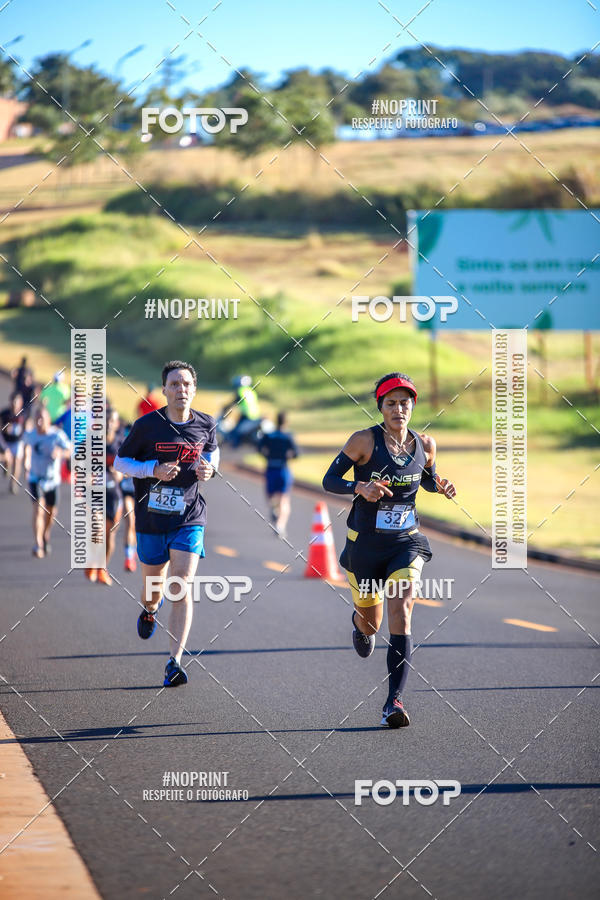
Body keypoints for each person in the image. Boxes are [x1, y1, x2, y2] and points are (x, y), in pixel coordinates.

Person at [322, 372, 456, 729]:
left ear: (413, 406)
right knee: (372, 620)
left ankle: (393, 702)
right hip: (364, 545)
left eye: (405, 402)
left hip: (405, 542)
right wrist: (359, 487)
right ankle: (360, 627)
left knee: (403, 607)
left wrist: (439, 485)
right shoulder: (364, 441)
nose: (399, 409)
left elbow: (426, 477)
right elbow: (329, 480)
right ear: (380, 407)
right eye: (391, 403)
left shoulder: (425, 443)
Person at [115, 360, 219, 687]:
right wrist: (153, 470)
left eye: (186, 384)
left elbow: (212, 455)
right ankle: (149, 610)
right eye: (174, 384)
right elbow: (120, 462)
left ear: (194, 389)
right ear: (164, 390)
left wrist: (209, 470)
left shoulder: (206, 424)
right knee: (153, 593)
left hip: (189, 517)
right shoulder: (147, 426)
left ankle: (174, 661)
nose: (181, 390)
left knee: (181, 584)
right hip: (150, 520)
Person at [23, 406, 71, 558]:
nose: (39, 422)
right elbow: (26, 446)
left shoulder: (56, 435)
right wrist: (26, 459)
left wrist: (61, 453)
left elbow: (71, 450)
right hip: (36, 478)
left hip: (52, 480)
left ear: (48, 420)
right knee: (38, 509)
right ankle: (38, 544)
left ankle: (45, 532)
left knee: (51, 513)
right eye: (37, 418)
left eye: (42, 418)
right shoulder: (31, 435)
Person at [85, 408, 124, 586]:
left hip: (113, 495)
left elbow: (128, 469)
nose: (108, 424)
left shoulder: (121, 444)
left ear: (116, 424)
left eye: (112, 421)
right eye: (105, 420)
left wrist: (120, 475)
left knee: (109, 537)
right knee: (97, 530)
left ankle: (102, 568)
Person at [258, 411, 298, 540]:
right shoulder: (288, 436)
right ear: (286, 422)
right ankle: (280, 526)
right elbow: (296, 453)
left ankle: (274, 509)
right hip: (283, 469)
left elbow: (259, 448)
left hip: (270, 468)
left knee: (270, 495)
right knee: (284, 499)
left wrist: (267, 456)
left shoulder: (269, 435)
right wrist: (287, 456)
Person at [119, 422, 138, 572]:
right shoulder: (122, 448)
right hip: (126, 491)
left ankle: (138, 548)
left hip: (142, 491)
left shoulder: (145, 447)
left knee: (140, 525)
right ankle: (129, 557)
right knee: (130, 522)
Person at [0, 392, 27, 493]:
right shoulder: (4, 414)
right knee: (8, 458)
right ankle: (6, 464)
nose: (15, 404)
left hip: (17, 442)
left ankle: (13, 483)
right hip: (6, 441)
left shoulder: (24, 414)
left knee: (17, 461)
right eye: (13, 401)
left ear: (21, 403)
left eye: (17, 402)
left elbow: (27, 429)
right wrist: (5, 428)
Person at [224, 375, 260, 448]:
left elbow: (234, 402)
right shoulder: (251, 390)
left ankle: (234, 448)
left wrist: (225, 408)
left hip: (249, 417)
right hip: (254, 415)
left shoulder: (240, 391)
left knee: (235, 432)